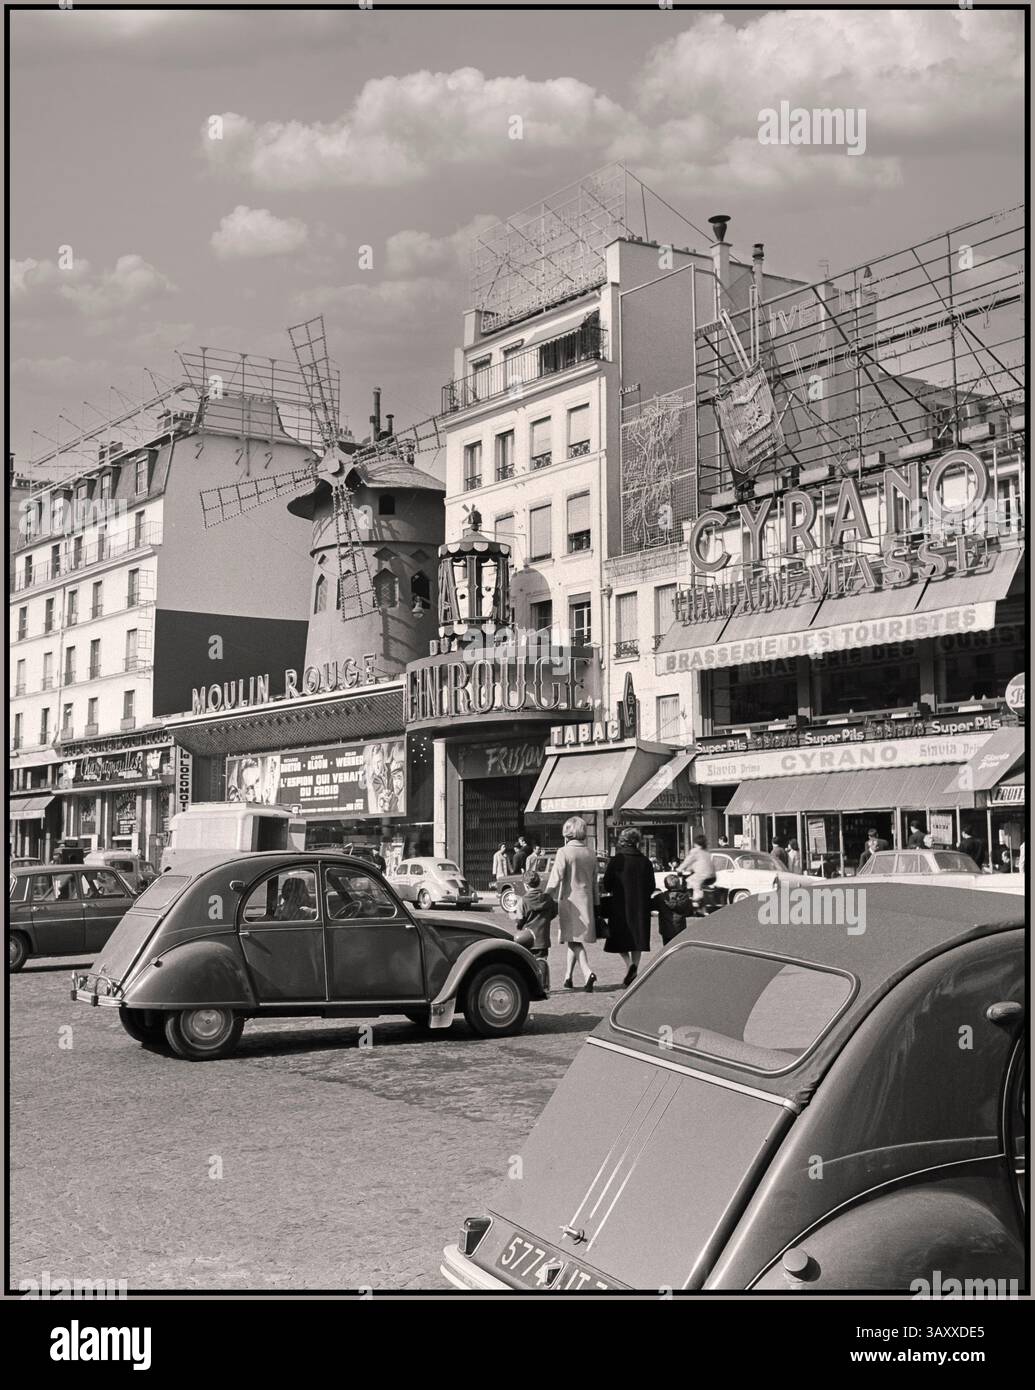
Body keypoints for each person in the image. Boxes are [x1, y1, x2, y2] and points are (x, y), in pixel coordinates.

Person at [545, 816, 599, 991]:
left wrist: (545, 896)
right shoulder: (591, 853)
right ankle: (568, 977)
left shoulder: (564, 852)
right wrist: (596, 904)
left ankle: (587, 972)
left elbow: (556, 877)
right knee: (573, 939)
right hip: (587, 901)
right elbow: (595, 882)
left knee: (574, 941)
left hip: (569, 902)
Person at [602, 827, 656, 989]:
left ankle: (628, 965)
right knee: (637, 940)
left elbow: (607, 884)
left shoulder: (617, 860)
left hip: (620, 905)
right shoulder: (645, 861)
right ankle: (635, 966)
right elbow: (651, 885)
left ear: (622, 841)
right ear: (637, 842)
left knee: (619, 939)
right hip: (640, 906)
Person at [514, 873, 557, 959]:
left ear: (526, 885)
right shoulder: (548, 899)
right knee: (542, 965)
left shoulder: (523, 901)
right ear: (539, 883)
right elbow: (554, 912)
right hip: (543, 941)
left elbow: (519, 922)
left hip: (526, 940)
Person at [679, 833, 717, 908]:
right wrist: (690, 868)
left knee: (690, 880)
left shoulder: (695, 851)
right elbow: (699, 863)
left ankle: (696, 899)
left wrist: (679, 869)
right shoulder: (706, 852)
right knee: (697, 883)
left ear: (696, 843)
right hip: (712, 876)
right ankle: (702, 904)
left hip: (703, 875)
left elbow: (687, 861)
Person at [654, 873, 693, 946]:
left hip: (665, 928)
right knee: (678, 947)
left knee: (667, 947)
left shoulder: (660, 897)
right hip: (680, 928)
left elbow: (651, 906)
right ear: (678, 883)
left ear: (665, 885)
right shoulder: (684, 897)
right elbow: (688, 911)